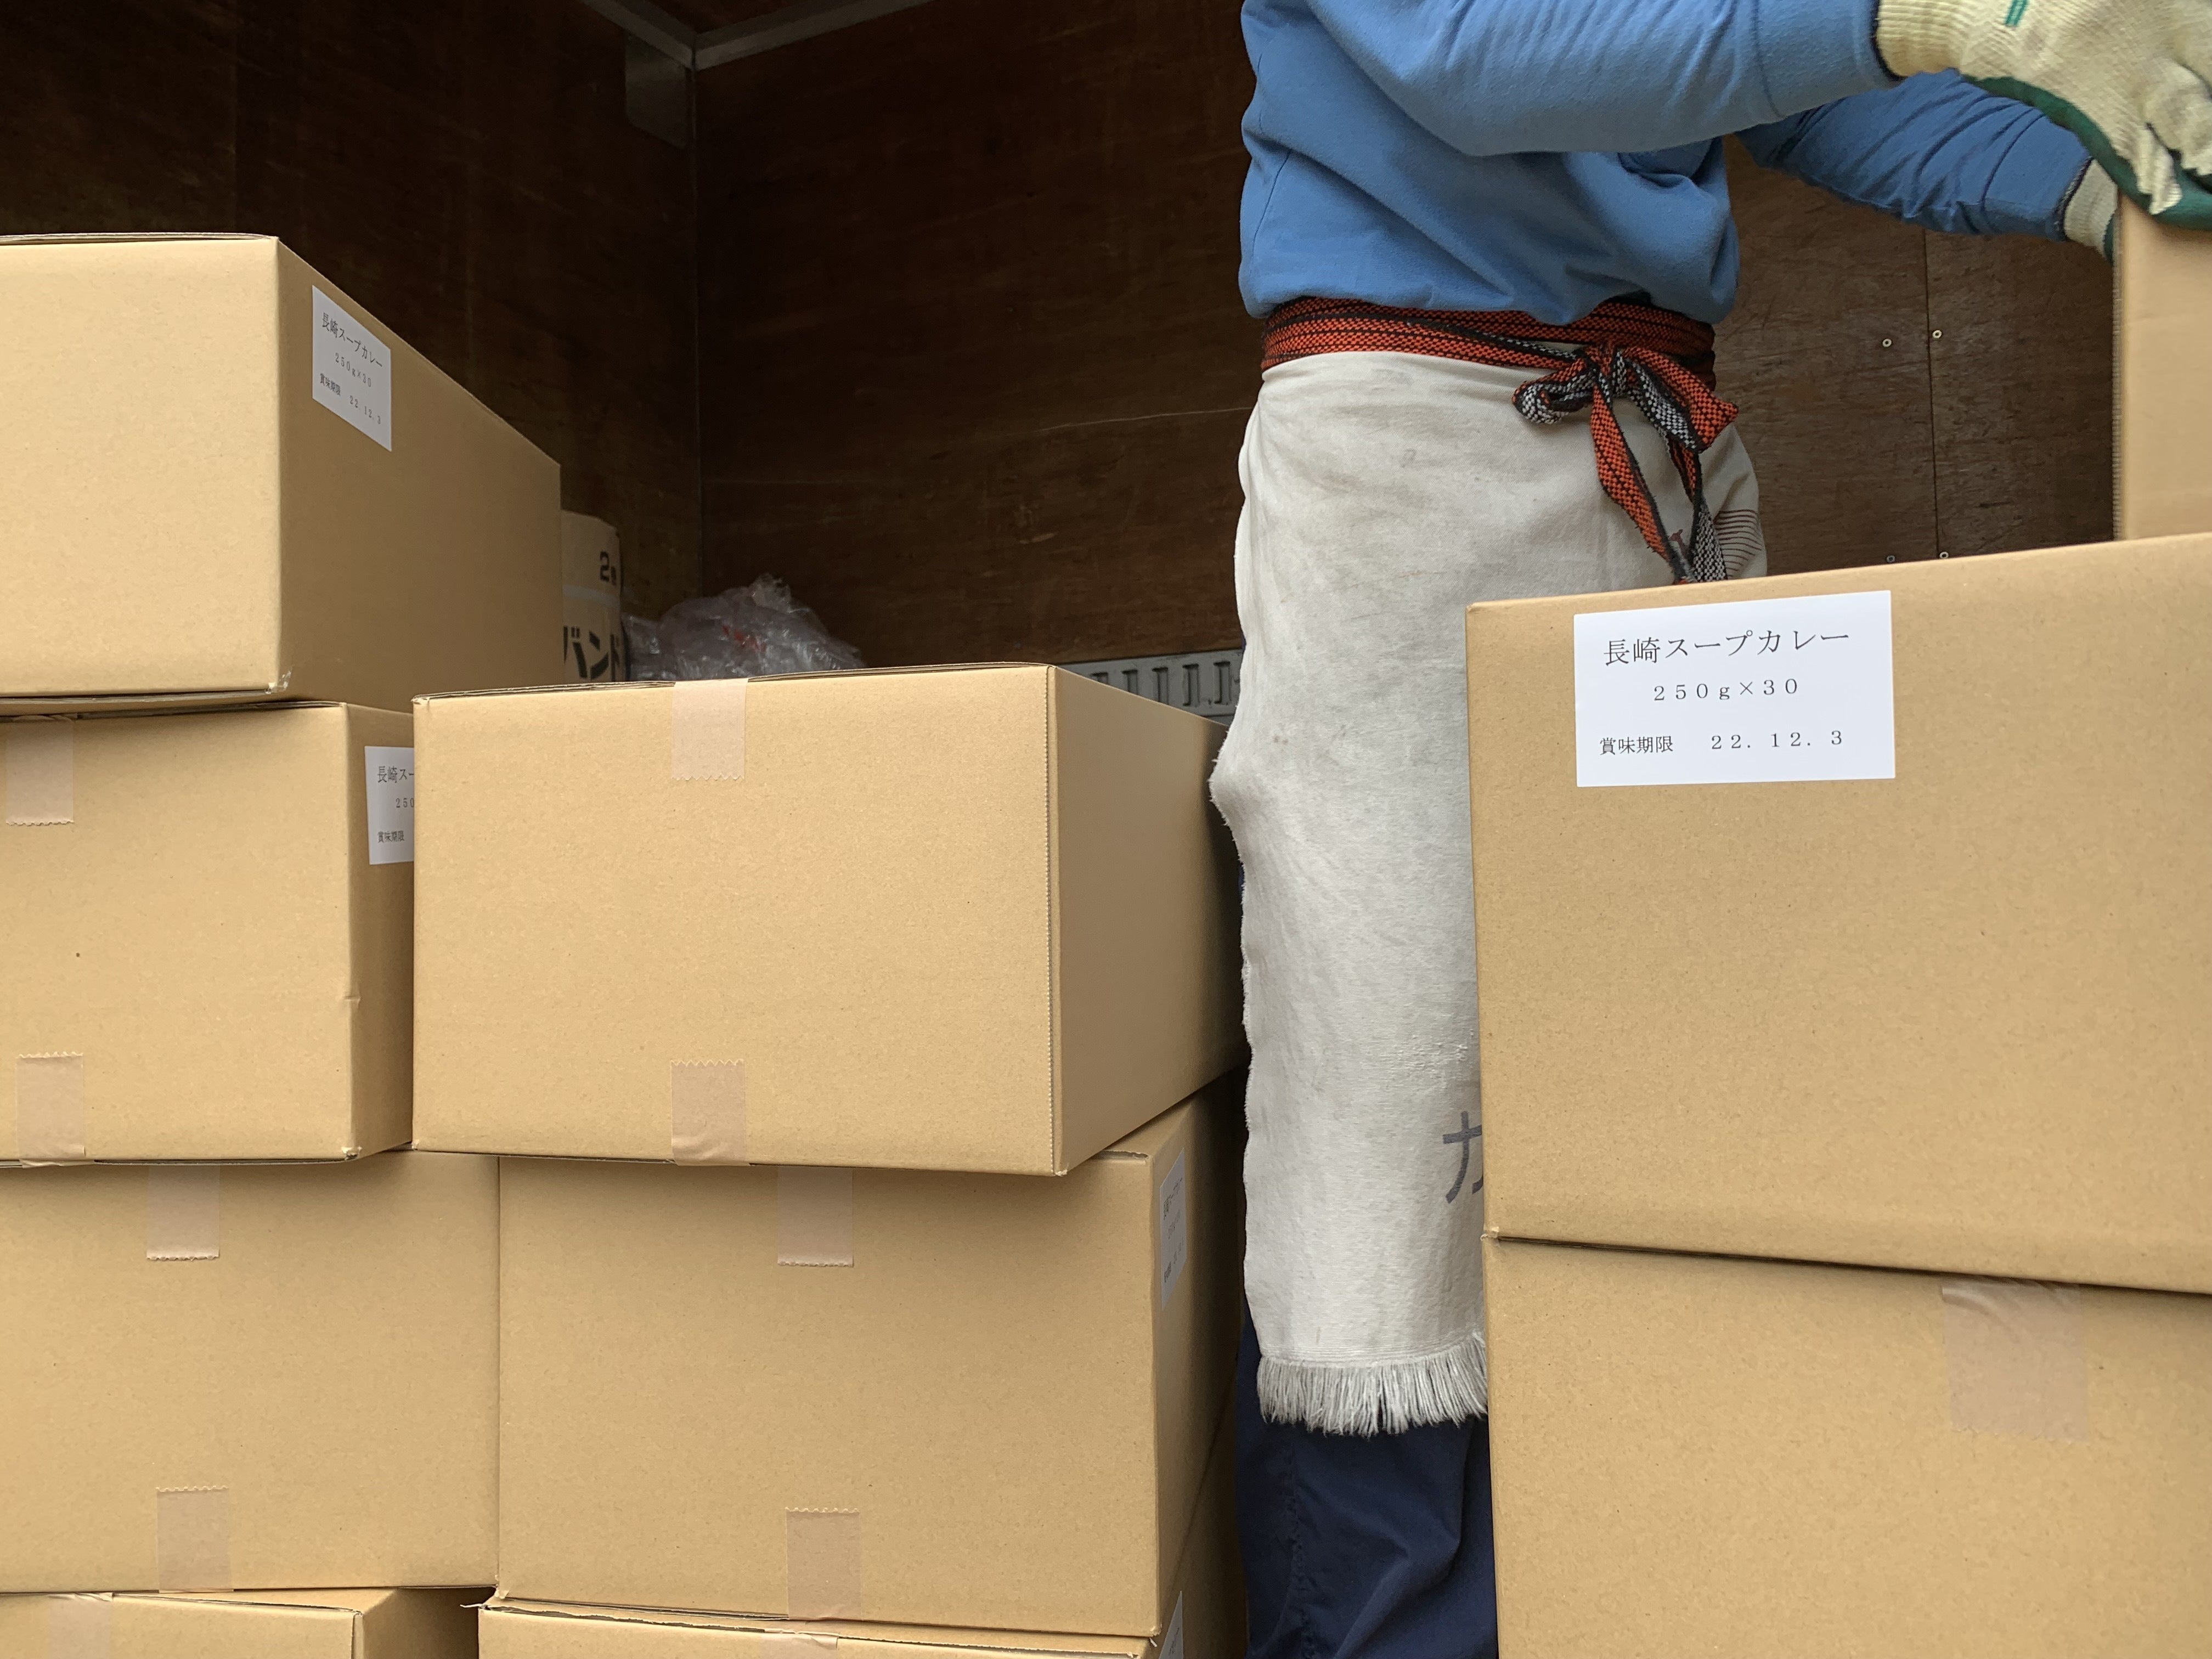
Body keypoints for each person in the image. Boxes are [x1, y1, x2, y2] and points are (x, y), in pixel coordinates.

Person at [1211, 4, 2212, 1656]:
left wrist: (2095, 171)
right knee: (1395, 1099)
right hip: (1416, 454)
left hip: (1647, 452)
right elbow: (1475, 55)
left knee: (1679, 1061)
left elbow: (1821, 96)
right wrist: (1944, 12)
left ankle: (1638, 1573)